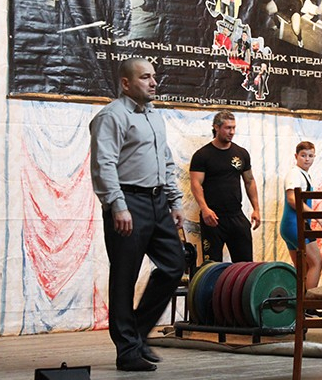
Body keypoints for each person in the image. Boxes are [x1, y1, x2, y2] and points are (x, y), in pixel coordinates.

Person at [89, 57, 185, 371]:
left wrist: (175, 201)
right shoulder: (112, 116)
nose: (154, 82)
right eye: (145, 77)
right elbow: (103, 164)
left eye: (154, 76)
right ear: (126, 83)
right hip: (129, 202)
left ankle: (138, 333)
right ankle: (127, 351)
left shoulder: (154, 115)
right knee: (124, 277)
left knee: (174, 266)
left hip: (157, 202)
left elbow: (165, 160)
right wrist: (117, 205)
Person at [189, 111, 261, 262]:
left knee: (245, 265)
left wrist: (256, 209)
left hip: (236, 216)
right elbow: (196, 184)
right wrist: (205, 209)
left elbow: (249, 181)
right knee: (212, 266)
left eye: (234, 128)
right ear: (216, 127)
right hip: (212, 218)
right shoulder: (202, 155)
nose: (232, 132)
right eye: (228, 128)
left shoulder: (241, 153)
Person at [280, 141, 322, 289]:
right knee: (316, 262)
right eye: (303, 155)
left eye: (310, 156)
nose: (307, 159)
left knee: (303, 269)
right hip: (295, 225)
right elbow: (292, 199)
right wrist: (316, 216)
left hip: (289, 226)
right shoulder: (295, 174)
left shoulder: (303, 174)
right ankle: (308, 301)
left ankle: (299, 302)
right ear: (296, 156)